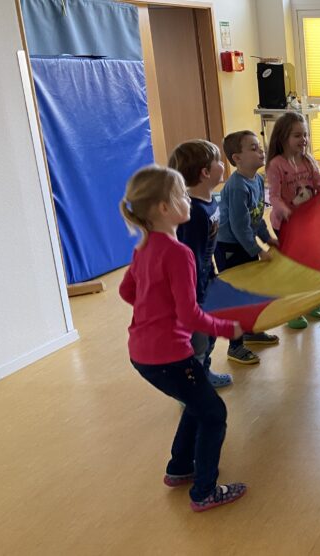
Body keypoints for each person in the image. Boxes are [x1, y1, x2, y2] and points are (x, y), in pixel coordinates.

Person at [118, 165, 247, 512]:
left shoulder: (143, 247)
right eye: (181, 195)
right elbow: (190, 316)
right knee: (213, 413)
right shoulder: (179, 253)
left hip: (141, 353)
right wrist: (227, 328)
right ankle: (204, 491)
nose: (188, 200)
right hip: (169, 356)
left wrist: (153, 312)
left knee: (197, 401)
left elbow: (127, 290)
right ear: (164, 208)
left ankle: (179, 468)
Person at [168, 139, 233, 388]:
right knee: (198, 340)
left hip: (205, 279)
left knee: (209, 334)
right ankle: (193, 387)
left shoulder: (210, 201)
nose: (222, 164)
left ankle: (202, 373)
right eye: (218, 161)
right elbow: (190, 257)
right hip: (193, 288)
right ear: (205, 172)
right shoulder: (193, 214)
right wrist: (195, 295)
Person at [215, 130, 280, 365]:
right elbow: (240, 227)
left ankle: (251, 332)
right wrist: (258, 250)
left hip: (246, 242)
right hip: (230, 247)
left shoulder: (258, 179)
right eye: (253, 148)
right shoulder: (236, 187)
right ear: (237, 158)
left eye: (259, 146)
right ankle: (235, 346)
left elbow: (257, 216)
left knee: (251, 291)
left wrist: (268, 238)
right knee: (237, 296)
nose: (260, 150)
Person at [265, 111, 320, 330]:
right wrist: (283, 209)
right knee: (292, 267)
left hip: (308, 223)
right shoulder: (276, 165)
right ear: (283, 138)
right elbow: (273, 195)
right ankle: (292, 308)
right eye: (297, 135)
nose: (303, 140)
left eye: (305, 135)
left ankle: (309, 304)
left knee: (309, 263)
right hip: (286, 224)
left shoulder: (308, 160)